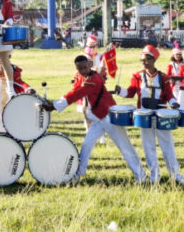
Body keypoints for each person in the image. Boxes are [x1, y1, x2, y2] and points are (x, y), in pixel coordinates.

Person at [40, 55, 147, 184]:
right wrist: (54, 103)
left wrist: (55, 105)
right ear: (76, 68)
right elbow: (74, 90)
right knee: (86, 146)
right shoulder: (80, 76)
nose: (83, 70)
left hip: (109, 118)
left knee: (125, 147)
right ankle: (77, 175)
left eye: (85, 67)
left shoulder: (94, 79)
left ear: (90, 65)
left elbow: (77, 94)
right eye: (80, 69)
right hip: (97, 119)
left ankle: (141, 177)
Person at [115, 45, 184, 184]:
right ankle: (155, 177)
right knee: (148, 147)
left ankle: (176, 176)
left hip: (161, 115)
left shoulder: (164, 77)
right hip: (144, 115)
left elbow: (168, 94)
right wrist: (120, 90)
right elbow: (130, 93)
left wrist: (174, 103)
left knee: (168, 146)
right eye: (142, 59)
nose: (143, 62)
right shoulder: (137, 76)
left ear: (154, 60)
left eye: (146, 59)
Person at [0, 55, 34, 133]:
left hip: (10, 106)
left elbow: (21, 84)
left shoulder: (13, 76)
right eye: (0, 63)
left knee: (11, 126)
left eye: (5, 63)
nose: (2, 66)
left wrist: (28, 89)